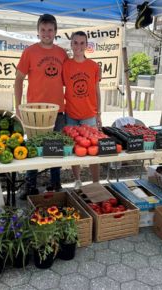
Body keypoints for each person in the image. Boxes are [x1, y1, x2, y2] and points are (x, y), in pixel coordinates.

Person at [14, 14, 68, 199]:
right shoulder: (29, 52)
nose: (46, 33)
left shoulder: (62, 53)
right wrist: (18, 106)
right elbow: (18, 80)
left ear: (55, 32)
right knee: (33, 148)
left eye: (50, 30)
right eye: (43, 30)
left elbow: (69, 79)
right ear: (38, 31)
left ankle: (55, 182)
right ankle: (30, 185)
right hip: (35, 112)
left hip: (58, 110)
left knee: (55, 147)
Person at [63, 31, 101, 189]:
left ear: (86, 45)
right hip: (71, 114)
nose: (78, 46)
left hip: (89, 115)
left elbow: (97, 90)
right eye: (75, 42)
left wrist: (99, 113)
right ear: (71, 44)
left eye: (82, 43)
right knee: (75, 150)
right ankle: (77, 180)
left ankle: (96, 181)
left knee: (94, 151)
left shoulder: (94, 66)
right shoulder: (65, 65)